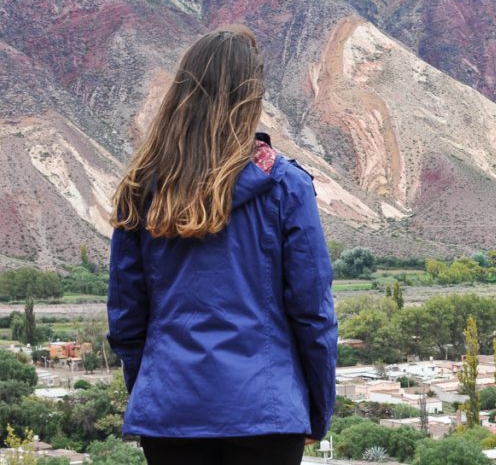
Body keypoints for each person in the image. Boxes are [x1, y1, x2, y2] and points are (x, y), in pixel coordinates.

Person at [106, 26, 337, 465]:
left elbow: (126, 319)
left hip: (171, 410)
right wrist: (317, 409)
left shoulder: (141, 187)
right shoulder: (285, 185)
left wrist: (153, 391)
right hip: (268, 412)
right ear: (252, 96)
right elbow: (313, 313)